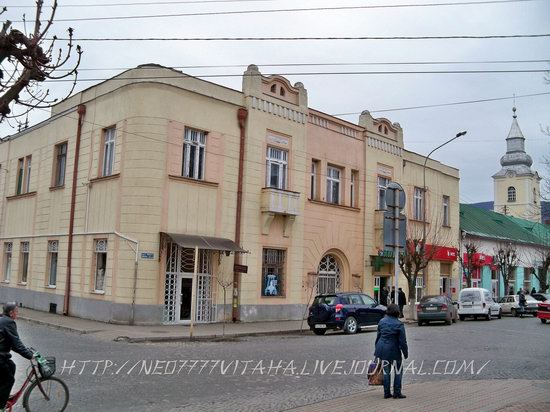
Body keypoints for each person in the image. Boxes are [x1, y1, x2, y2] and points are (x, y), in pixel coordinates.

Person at [0, 302, 33, 411]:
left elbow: (12, 343)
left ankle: (3, 395)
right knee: (9, 380)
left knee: (12, 366)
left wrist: (26, 351)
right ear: (11, 313)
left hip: (2, 356)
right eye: (16, 311)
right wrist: (30, 356)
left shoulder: (2, 319)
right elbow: (17, 344)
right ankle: (0, 407)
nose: (17, 314)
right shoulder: (9, 323)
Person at [374, 304, 408, 399]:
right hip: (394, 351)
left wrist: (376, 351)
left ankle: (386, 393)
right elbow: (403, 342)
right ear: (397, 312)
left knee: (386, 371)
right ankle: (397, 393)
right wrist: (405, 353)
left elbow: (378, 337)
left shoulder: (381, 321)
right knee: (398, 371)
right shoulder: (399, 324)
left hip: (382, 350)